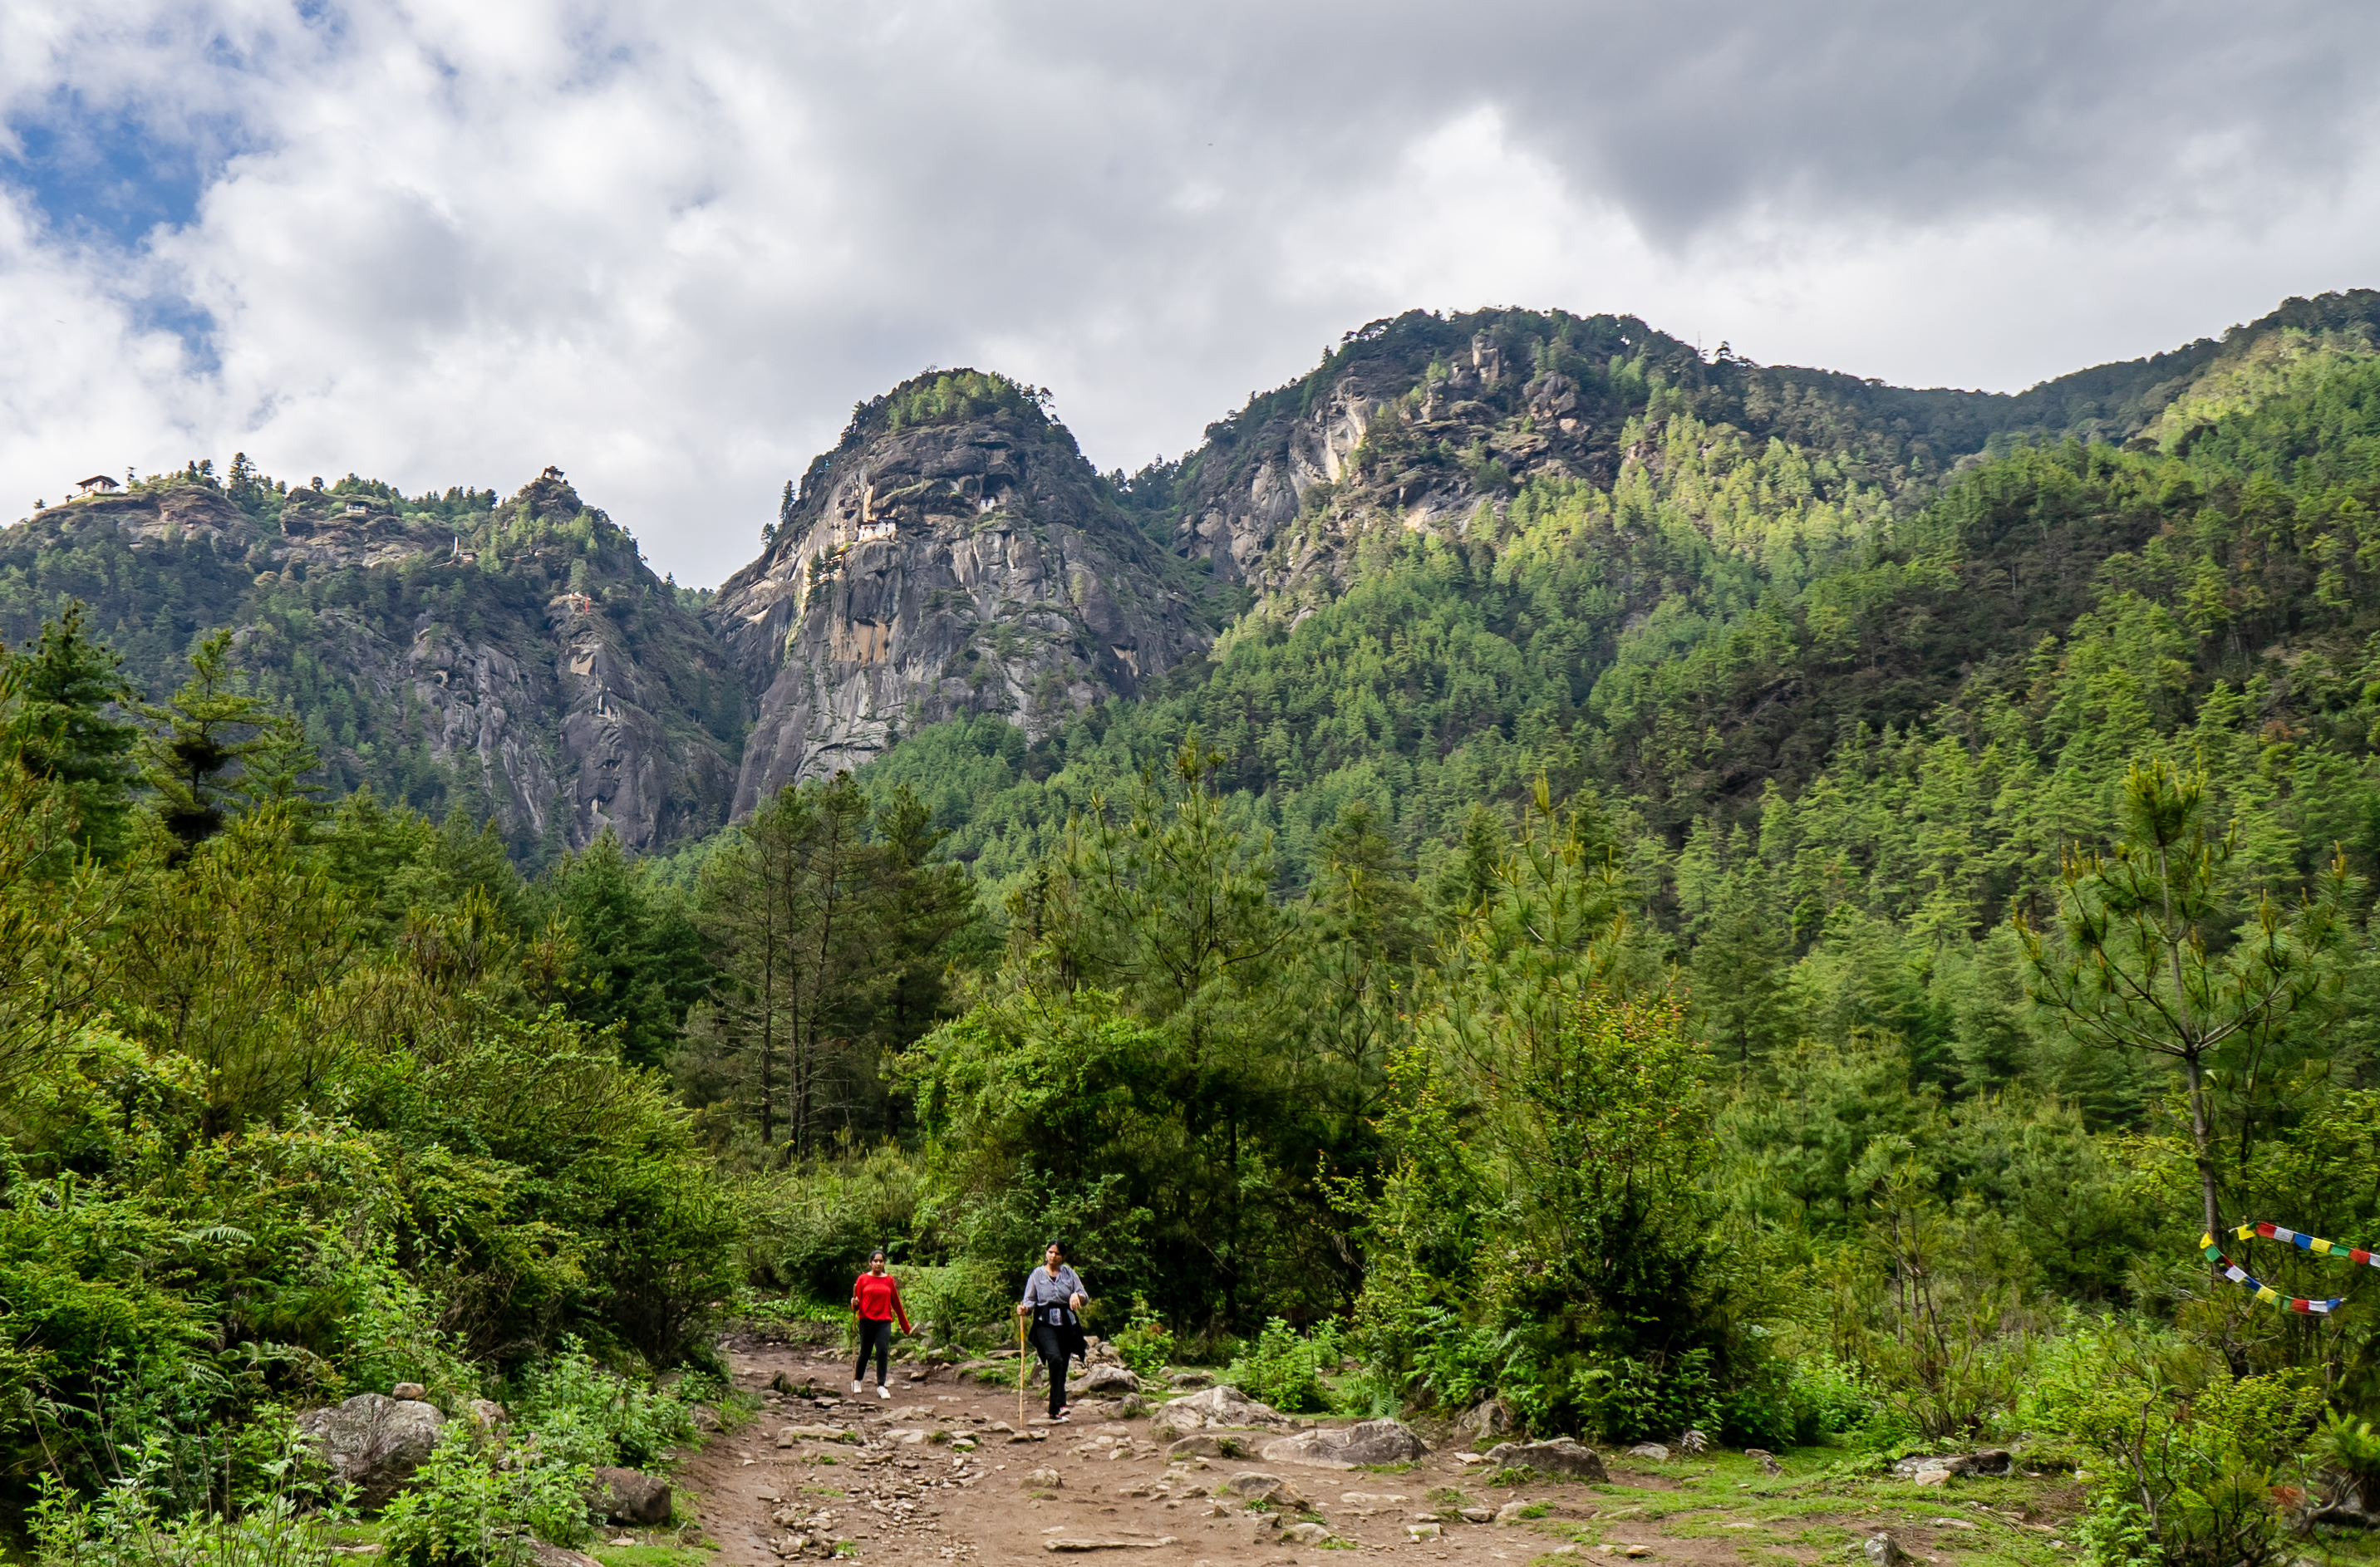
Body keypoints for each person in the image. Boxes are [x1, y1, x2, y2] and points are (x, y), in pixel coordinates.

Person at [1016, 1241, 1087, 1422]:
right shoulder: (1037, 1275)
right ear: (1046, 1253)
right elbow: (1029, 1301)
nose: (1053, 1256)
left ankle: (1054, 1411)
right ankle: (1061, 1404)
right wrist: (1024, 1309)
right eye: (1050, 1252)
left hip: (1067, 1323)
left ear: (1062, 1256)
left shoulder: (1069, 1274)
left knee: (1062, 1365)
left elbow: (1084, 1296)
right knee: (1054, 1358)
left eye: (1057, 1253)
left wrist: (1076, 1296)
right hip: (1044, 1323)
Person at [850, 1249, 911, 1399]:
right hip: (866, 1320)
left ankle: (881, 1385)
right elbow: (857, 1305)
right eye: (875, 1261)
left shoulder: (888, 1280)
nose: (878, 1264)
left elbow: (896, 1303)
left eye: (881, 1261)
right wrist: (854, 1303)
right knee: (865, 1352)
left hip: (884, 1321)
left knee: (882, 1351)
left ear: (884, 1263)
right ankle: (857, 1380)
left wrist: (905, 1326)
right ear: (870, 1263)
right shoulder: (863, 1279)